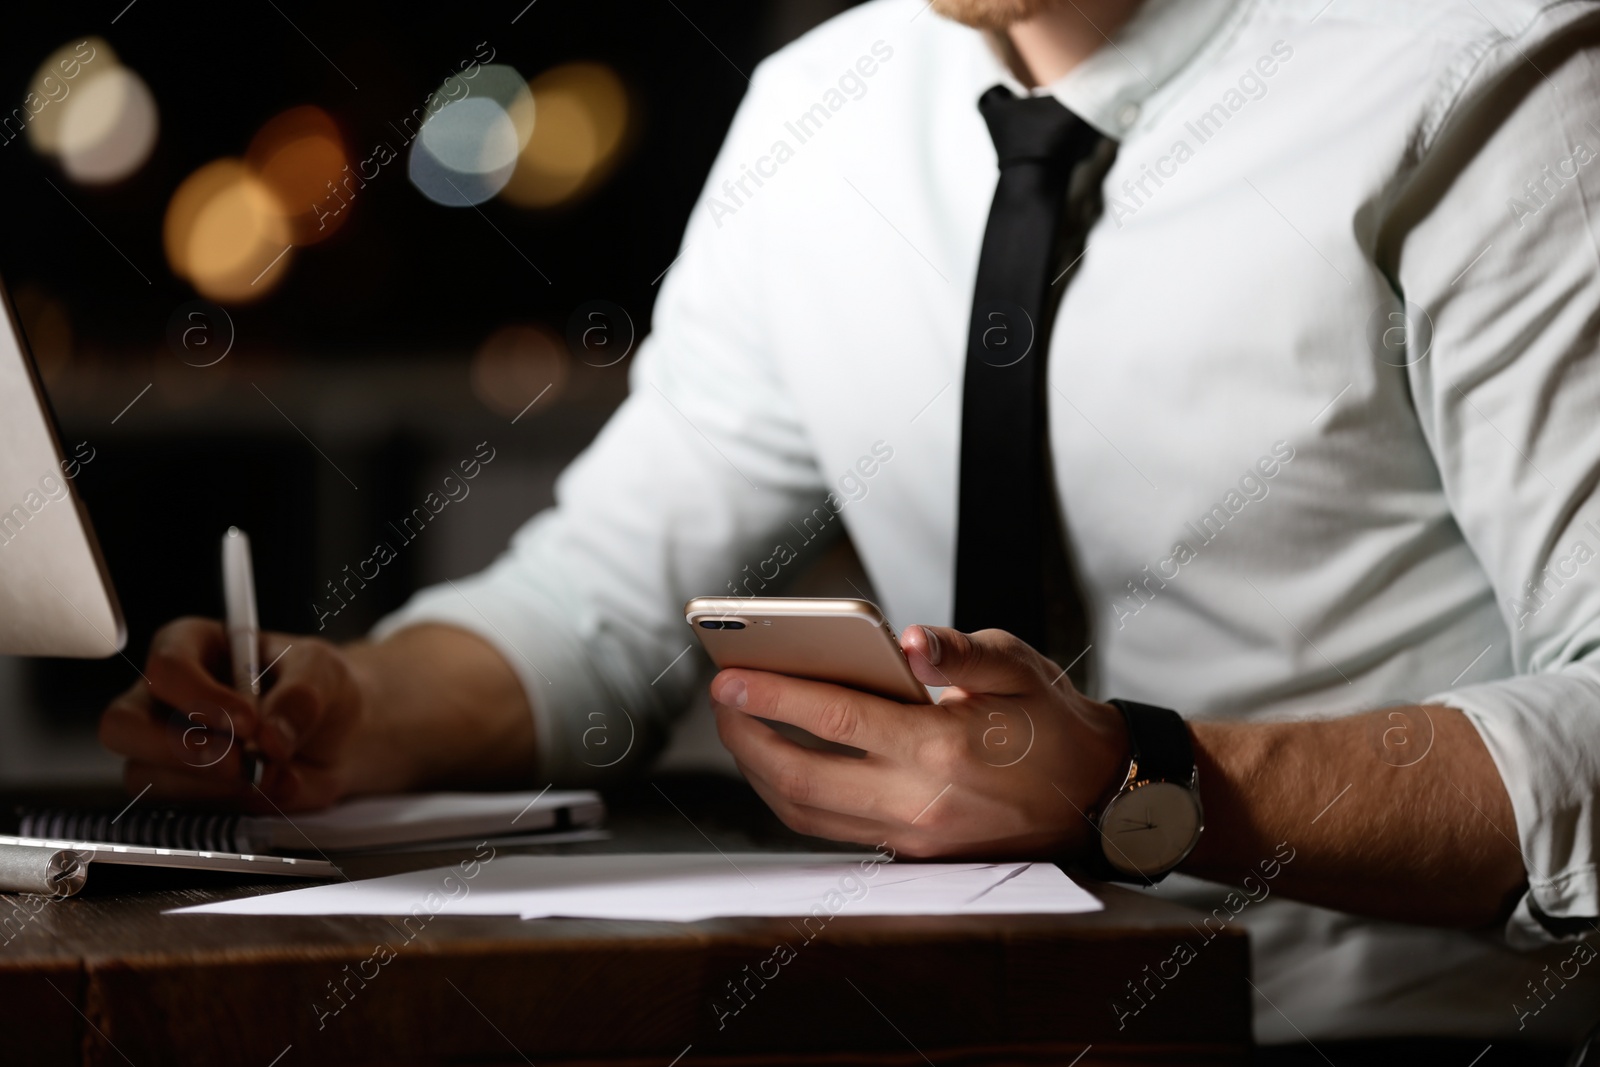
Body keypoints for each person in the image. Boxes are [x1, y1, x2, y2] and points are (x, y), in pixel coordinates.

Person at [99, 0, 1600, 1054]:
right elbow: (603, 598)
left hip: (1398, 1039)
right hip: (928, 1035)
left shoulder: (1492, 72)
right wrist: (357, 708)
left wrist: (1140, 786)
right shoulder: (822, 112)